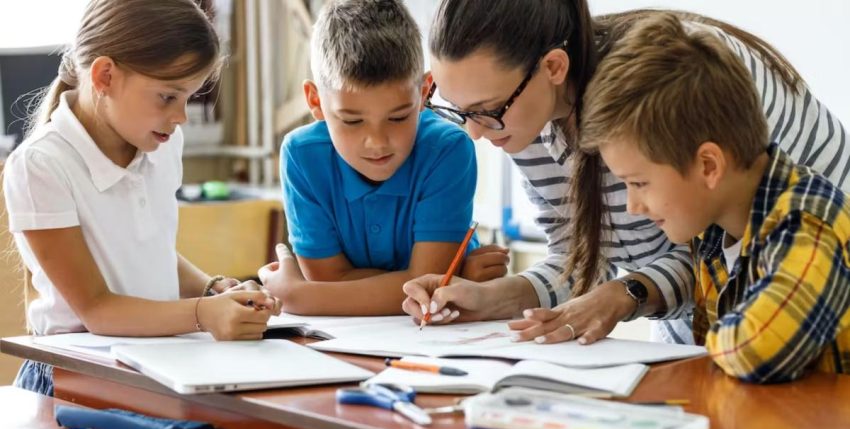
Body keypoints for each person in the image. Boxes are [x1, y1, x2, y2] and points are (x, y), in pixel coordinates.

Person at [401, 0, 850, 346]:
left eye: (487, 111)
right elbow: (582, 257)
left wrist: (626, 292)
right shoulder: (523, 116)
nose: (476, 134)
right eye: (461, 112)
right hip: (709, 334)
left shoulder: (681, 83)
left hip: (804, 310)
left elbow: (727, 254)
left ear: (553, 68)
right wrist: (497, 297)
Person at [3, 0, 280, 396]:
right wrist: (204, 315)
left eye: (190, 98)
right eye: (168, 97)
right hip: (74, 378)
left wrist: (213, 289)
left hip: (156, 360)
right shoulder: (39, 165)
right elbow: (98, 309)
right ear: (105, 76)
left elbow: (149, 250)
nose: (181, 116)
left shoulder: (162, 144)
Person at [576, 12, 849, 381]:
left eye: (639, 183)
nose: (633, 206)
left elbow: (754, 351)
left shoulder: (809, 223)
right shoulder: (714, 231)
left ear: (708, 165)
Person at [257, 0, 508, 316]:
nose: (377, 143)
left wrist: (299, 296)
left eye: (399, 117)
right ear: (315, 101)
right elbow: (419, 284)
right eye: (351, 121)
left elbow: (424, 285)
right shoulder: (301, 157)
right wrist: (454, 279)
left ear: (424, 93)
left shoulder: (447, 149)